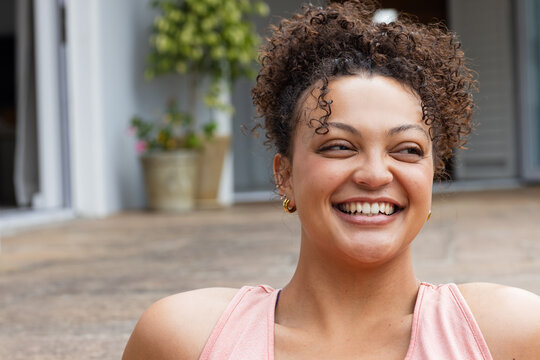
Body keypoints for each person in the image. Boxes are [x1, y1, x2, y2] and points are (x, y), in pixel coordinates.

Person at [123, 1, 540, 359]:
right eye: (339, 146)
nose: (376, 175)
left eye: (407, 150)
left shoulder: (509, 334)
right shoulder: (183, 339)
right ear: (283, 175)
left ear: (432, 177)